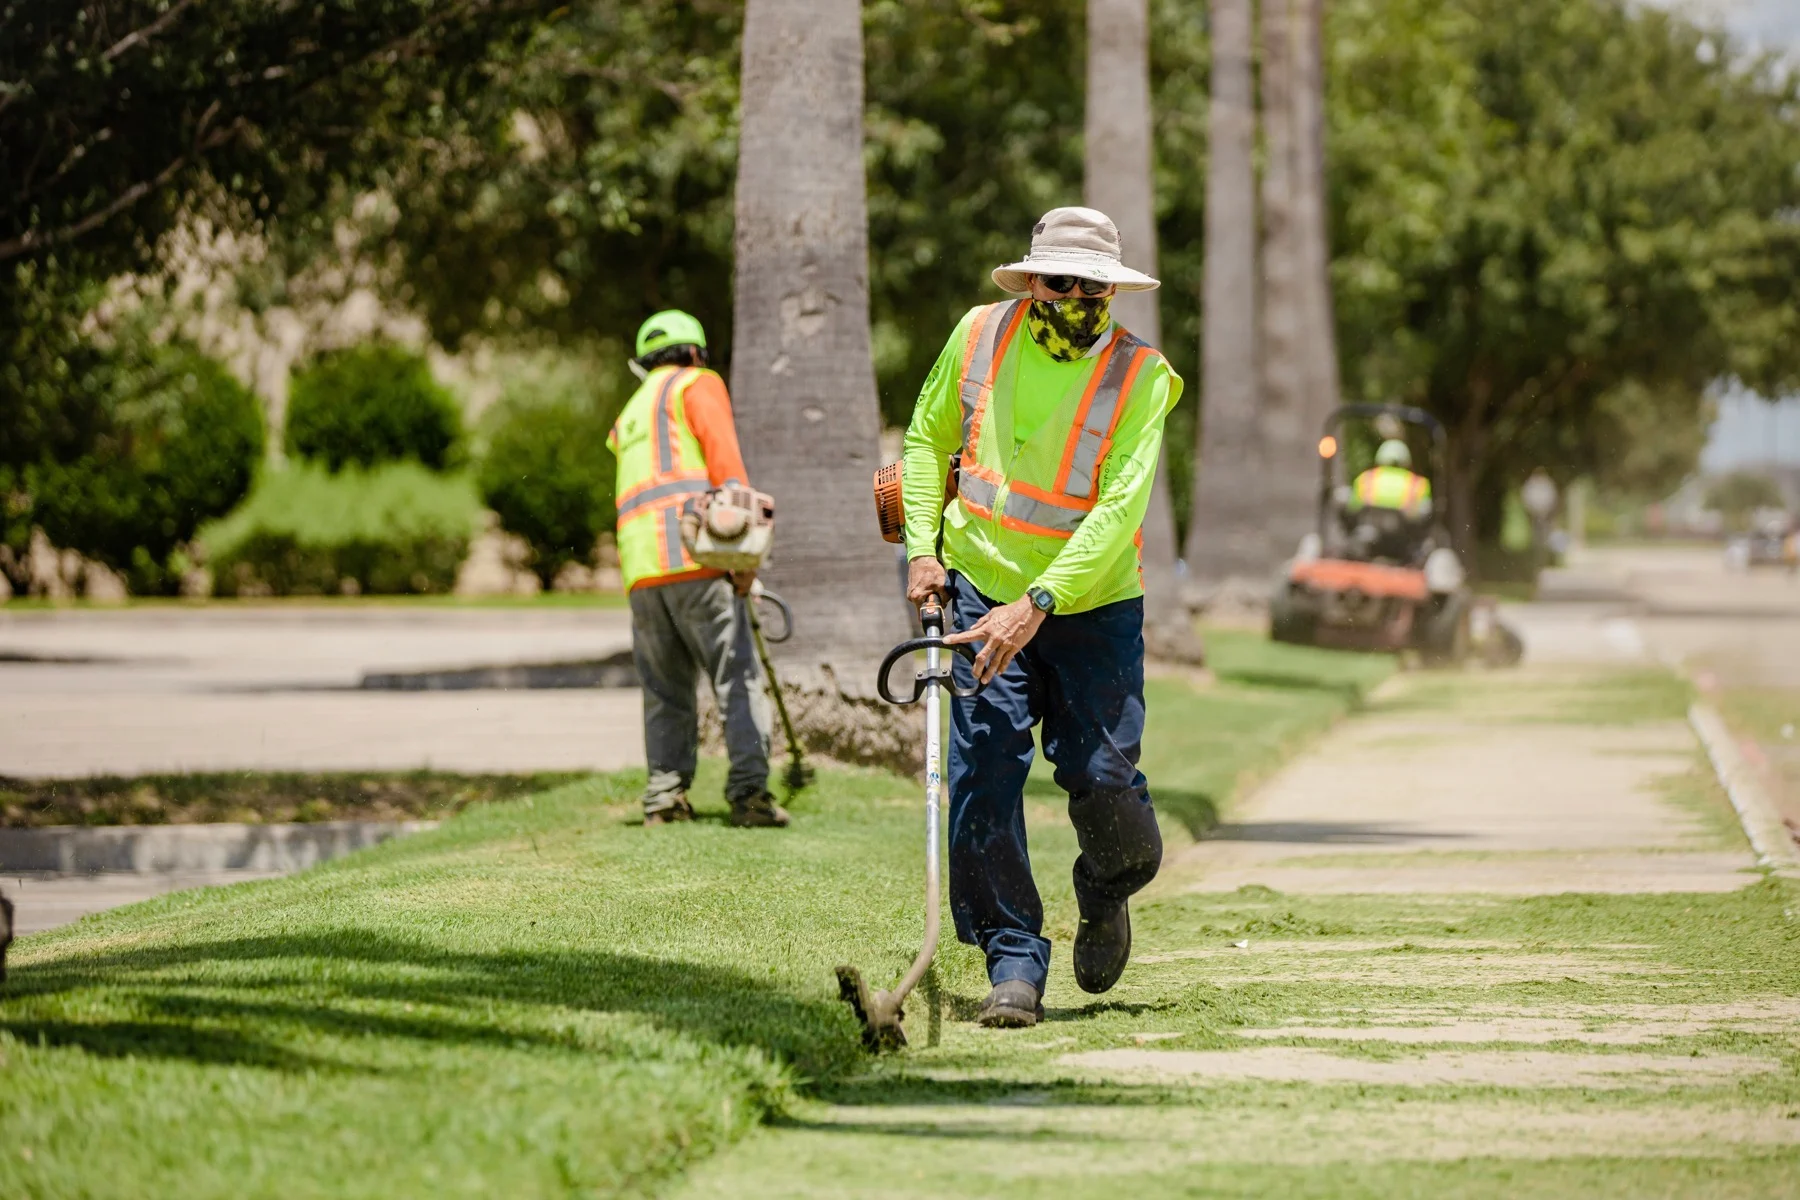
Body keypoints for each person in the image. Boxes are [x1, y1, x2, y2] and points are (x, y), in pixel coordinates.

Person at [901, 207, 1183, 1028]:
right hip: (981, 593)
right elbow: (925, 440)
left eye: (1093, 285)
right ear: (1031, 283)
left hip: (1089, 607)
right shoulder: (979, 337)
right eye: (1060, 282)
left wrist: (1040, 602)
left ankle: (1105, 889)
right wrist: (925, 552)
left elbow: (1117, 511)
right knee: (983, 770)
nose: (1077, 297)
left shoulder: (1143, 378)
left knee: (1103, 782)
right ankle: (1013, 960)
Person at [608, 310, 788, 828]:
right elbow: (728, 476)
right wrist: (745, 557)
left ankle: (665, 798)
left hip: (642, 571)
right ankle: (750, 796)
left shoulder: (631, 411)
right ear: (694, 352)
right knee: (737, 679)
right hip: (698, 557)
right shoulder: (697, 384)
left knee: (665, 690)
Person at [1349, 439, 1431, 519]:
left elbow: (1352, 508)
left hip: (1369, 529)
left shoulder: (1365, 478)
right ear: (1406, 460)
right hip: (1406, 531)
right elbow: (1425, 513)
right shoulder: (1419, 483)